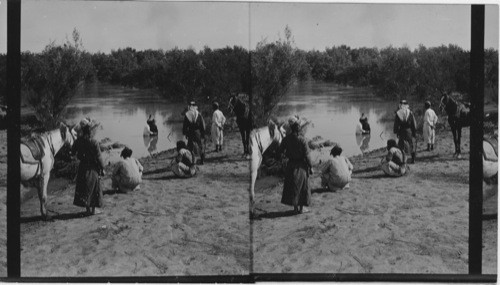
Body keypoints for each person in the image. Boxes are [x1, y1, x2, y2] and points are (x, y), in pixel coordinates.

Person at [279, 122, 313, 214]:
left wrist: (286, 156)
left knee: (293, 187)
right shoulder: (303, 140)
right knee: (302, 187)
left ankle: (295, 209)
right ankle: (301, 209)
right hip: (301, 165)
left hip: (291, 165)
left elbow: (280, 151)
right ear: (299, 130)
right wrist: (311, 166)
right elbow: (307, 156)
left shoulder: (286, 139)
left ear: (291, 129)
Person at [72, 124, 105, 215]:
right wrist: (102, 168)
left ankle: (87, 210)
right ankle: (93, 210)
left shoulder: (78, 141)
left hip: (83, 167)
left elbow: (72, 152)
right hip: (93, 168)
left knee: (85, 188)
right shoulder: (94, 142)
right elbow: (99, 157)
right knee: (94, 189)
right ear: (91, 132)